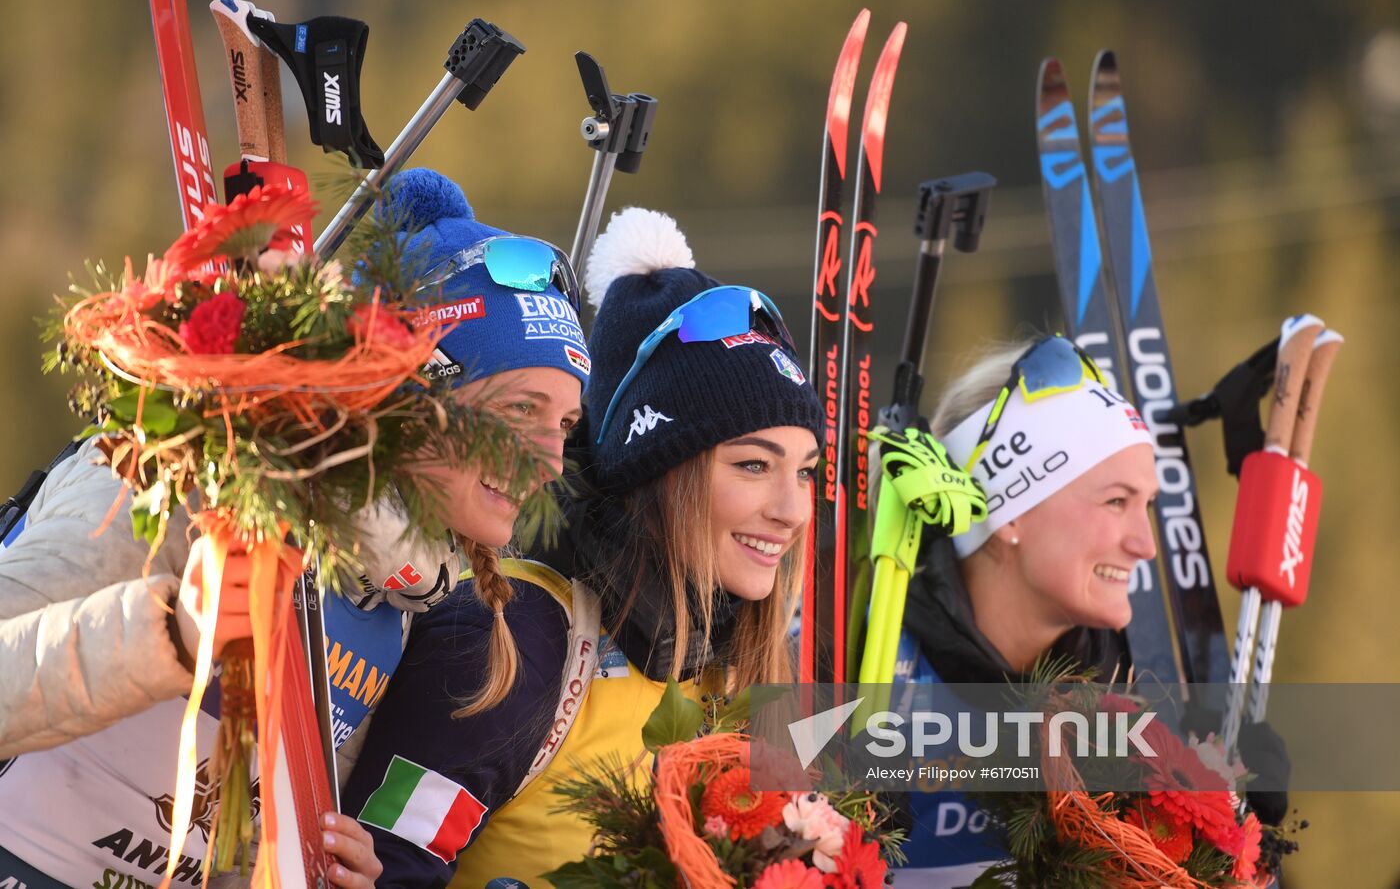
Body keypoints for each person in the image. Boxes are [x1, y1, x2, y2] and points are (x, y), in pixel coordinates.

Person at [0, 167, 589, 889]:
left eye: (563, 424)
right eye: (519, 411)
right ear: (422, 393)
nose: (549, 460)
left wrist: (324, 870)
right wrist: (174, 635)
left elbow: (230, 834)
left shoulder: (400, 599)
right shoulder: (192, 468)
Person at [341, 207, 825, 886]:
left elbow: (969, 754)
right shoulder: (518, 644)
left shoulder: (760, 658)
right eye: (753, 465)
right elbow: (378, 868)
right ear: (665, 474)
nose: (791, 510)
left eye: (805, 471)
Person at [890, 335, 1286, 886]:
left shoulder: (1129, 700)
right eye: (1116, 501)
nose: (1146, 544)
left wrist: (1245, 853)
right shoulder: (862, 662)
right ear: (1010, 512)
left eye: (1146, 505)